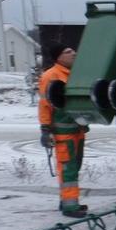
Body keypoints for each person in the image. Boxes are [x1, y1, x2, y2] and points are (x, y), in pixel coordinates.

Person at [38, 42, 88, 217]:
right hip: (63, 133)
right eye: (68, 51)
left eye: (73, 50)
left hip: (77, 130)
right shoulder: (50, 76)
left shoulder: (72, 74)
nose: (73, 53)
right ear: (59, 57)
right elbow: (45, 106)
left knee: (74, 166)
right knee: (68, 169)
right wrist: (45, 129)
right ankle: (70, 206)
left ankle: (67, 200)